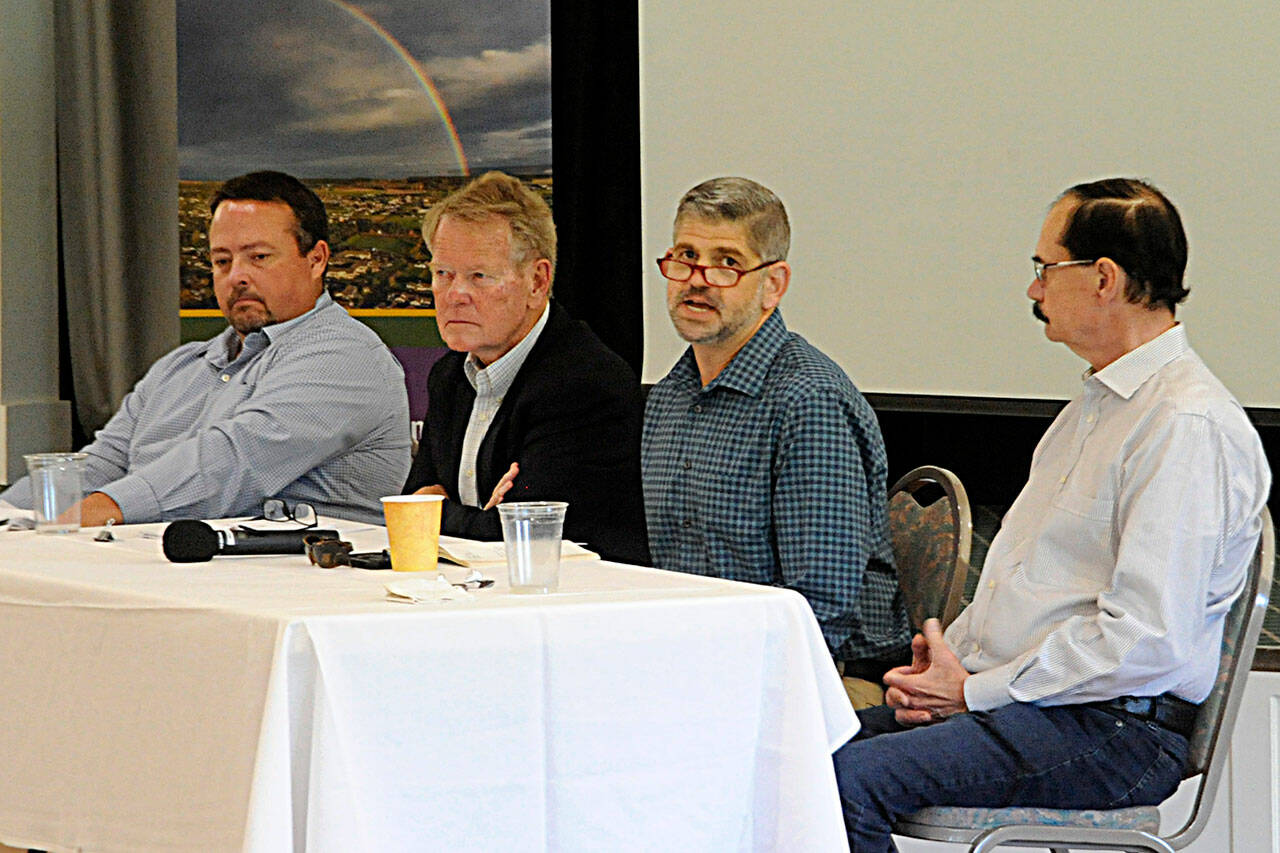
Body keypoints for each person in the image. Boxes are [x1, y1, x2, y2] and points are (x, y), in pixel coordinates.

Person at [833, 178, 1272, 851]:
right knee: (792, 758)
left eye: (1044, 269)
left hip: (1116, 731)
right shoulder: (1089, 412)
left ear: (1103, 278)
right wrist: (957, 665)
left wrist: (976, 692)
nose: (1033, 291)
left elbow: (1144, 641)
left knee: (845, 781)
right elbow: (1029, 579)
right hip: (1041, 706)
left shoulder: (1185, 424)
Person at [1, 171, 411, 526]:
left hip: (299, 589)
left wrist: (96, 511)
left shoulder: (344, 358)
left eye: (259, 257)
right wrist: (10, 514)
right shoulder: (181, 366)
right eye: (221, 261)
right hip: (160, 571)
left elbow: (231, 464)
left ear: (317, 259)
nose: (237, 277)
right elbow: (104, 463)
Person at [642, 176, 911, 704]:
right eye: (686, 256)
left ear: (774, 284)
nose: (697, 280)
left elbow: (820, 610)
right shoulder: (669, 396)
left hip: (822, 680)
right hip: (701, 660)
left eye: (726, 263)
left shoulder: (807, 401)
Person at [403, 171, 648, 564]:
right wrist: (478, 517)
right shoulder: (449, 376)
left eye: (479, 277)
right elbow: (410, 507)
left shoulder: (584, 382)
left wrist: (447, 513)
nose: (454, 295)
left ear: (537, 281)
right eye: (442, 274)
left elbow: (528, 535)